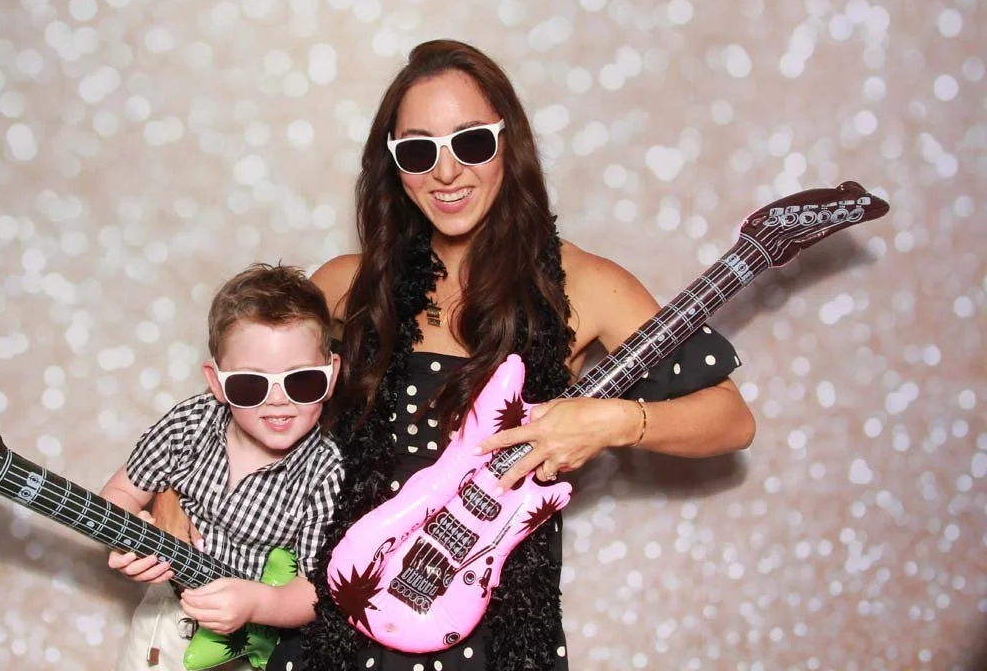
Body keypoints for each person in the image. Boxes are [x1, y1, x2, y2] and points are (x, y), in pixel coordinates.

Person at [157, 39, 756, 671]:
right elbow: (240, 408)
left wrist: (612, 421)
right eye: (419, 150)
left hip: (485, 632)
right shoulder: (344, 284)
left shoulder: (583, 285)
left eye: (471, 142)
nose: (447, 173)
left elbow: (731, 419)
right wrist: (172, 493)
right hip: (334, 619)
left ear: (509, 144)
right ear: (394, 165)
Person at [100, 262, 344, 671]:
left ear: (332, 374)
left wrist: (256, 602)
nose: (280, 400)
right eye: (251, 383)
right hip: (164, 623)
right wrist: (128, 538)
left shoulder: (326, 471)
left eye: (302, 381)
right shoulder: (189, 423)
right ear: (216, 382)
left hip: (251, 644)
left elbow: (314, 591)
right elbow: (121, 492)